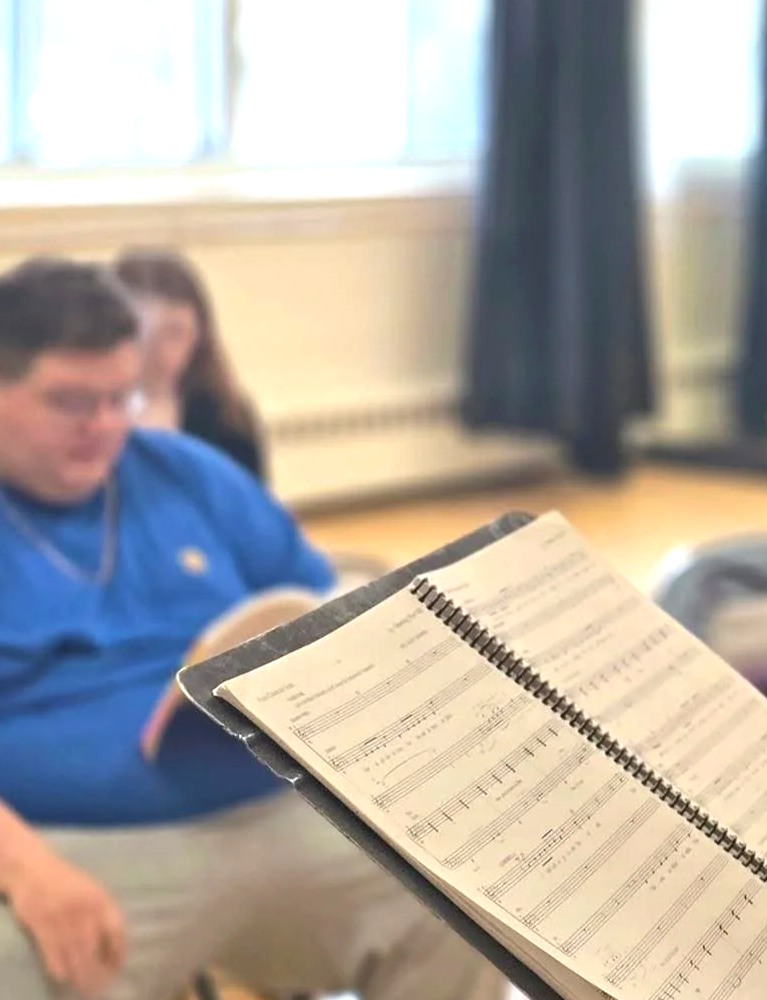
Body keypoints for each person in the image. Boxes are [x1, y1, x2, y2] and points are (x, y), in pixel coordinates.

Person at [0, 258, 501, 1000]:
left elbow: (322, 606)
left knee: (460, 901)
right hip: (73, 845)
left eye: (120, 396)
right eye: (71, 401)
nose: (105, 426)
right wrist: (26, 869)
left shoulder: (184, 471)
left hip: (275, 804)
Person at [110, 249, 267, 484]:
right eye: (140, 334)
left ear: (200, 335)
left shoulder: (226, 417)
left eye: (174, 333)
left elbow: (251, 508)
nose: (157, 354)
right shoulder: (91, 416)